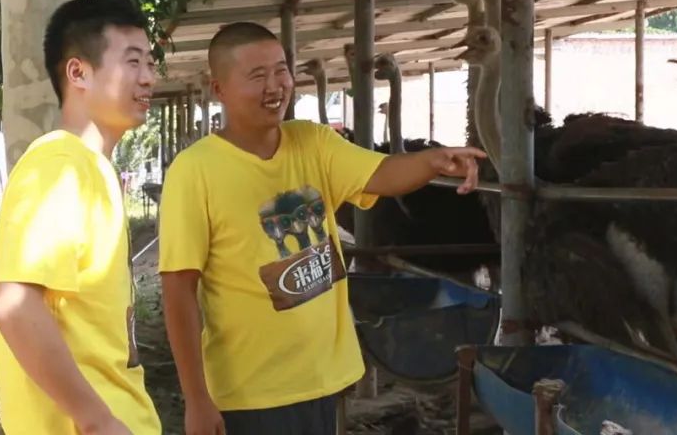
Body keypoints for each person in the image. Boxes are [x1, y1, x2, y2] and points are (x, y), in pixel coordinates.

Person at [159, 22, 486, 435]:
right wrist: (197, 399)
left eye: (281, 71)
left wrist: (433, 162)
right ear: (218, 88)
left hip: (324, 380)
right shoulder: (195, 172)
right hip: (252, 393)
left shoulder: (312, 142)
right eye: (257, 76)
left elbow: (381, 174)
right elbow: (178, 291)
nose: (275, 85)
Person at [0, 0, 162, 435]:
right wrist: (96, 419)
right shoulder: (59, 164)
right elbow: (15, 305)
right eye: (133, 61)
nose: (148, 78)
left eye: (150, 63)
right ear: (77, 72)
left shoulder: (91, 168)